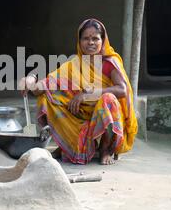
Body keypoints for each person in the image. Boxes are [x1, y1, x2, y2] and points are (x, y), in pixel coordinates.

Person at [19, 19, 138, 165]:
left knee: (108, 99)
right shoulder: (74, 64)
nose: (91, 43)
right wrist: (31, 80)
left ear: (103, 40)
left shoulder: (109, 62)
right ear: (79, 41)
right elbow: (43, 87)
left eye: (95, 38)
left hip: (104, 111)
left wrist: (88, 94)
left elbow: (122, 90)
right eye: (86, 38)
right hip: (81, 112)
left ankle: (105, 149)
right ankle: (66, 144)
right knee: (48, 96)